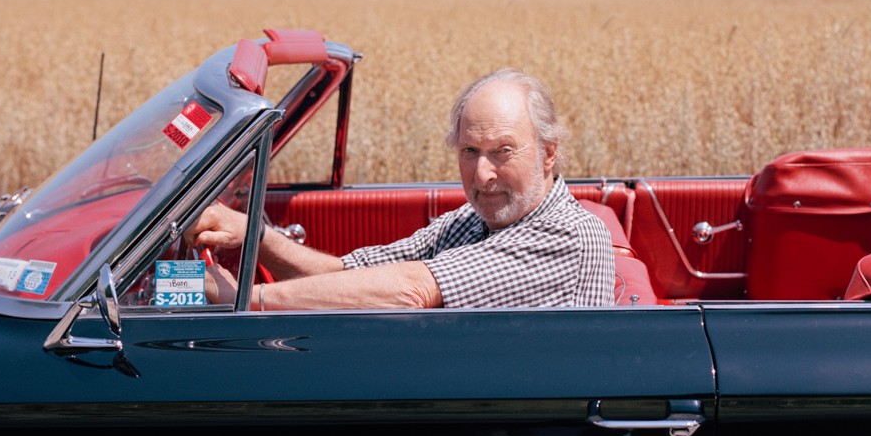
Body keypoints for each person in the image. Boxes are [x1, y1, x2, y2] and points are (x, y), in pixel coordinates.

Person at [187, 68, 615, 309]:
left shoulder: (564, 234)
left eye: (502, 151)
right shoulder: (470, 222)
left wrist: (245, 298)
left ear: (548, 153)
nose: (483, 174)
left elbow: (410, 289)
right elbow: (347, 276)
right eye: (469, 151)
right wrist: (254, 236)